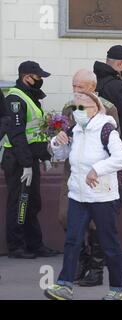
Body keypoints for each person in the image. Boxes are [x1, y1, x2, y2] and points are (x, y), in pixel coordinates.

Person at [44, 92, 122, 300]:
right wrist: (56, 143)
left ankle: (119, 290)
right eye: (75, 108)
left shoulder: (107, 129)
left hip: (102, 197)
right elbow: (62, 156)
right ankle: (65, 285)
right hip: (78, 194)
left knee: (109, 243)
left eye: (82, 107)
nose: (77, 112)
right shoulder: (75, 130)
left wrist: (97, 169)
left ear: (96, 109)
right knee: (72, 241)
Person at [60, 69, 122, 288]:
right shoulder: (74, 119)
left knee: (106, 238)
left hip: (100, 189)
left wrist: (97, 169)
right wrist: (55, 144)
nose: (75, 91)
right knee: (70, 232)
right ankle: (67, 279)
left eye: (80, 87)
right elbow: (65, 148)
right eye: (73, 86)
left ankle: (108, 279)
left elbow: (119, 155)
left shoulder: (106, 119)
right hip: (76, 185)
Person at [1, 61, 59, 259]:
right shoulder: (15, 100)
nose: (40, 80)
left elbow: (35, 133)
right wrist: (26, 164)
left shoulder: (30, 97)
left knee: (32, 203)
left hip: (29, 159)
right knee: (19, 202)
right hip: (17, 160)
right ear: (27, 77)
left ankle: (35, 244)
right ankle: (16, 246)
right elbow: (17, 135)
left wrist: (45, 156)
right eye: (38, 77)